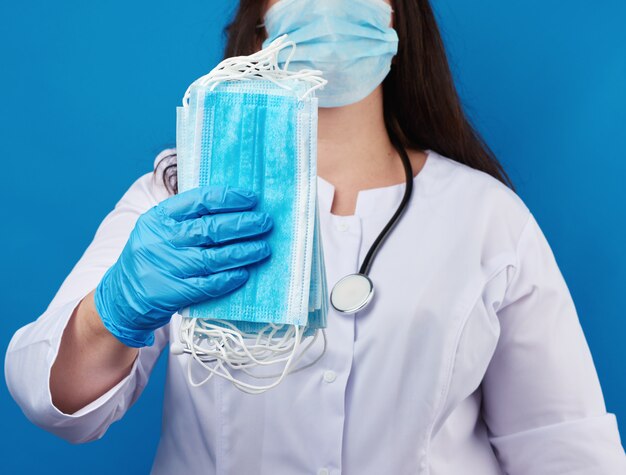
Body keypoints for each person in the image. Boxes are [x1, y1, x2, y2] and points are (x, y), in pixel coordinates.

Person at [5, 0, 626, 473]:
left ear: (395, 19)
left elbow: (563, 447)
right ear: (260, 29)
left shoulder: (488, 216)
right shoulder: (179, 202)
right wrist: (113, 312)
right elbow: (50, 400)